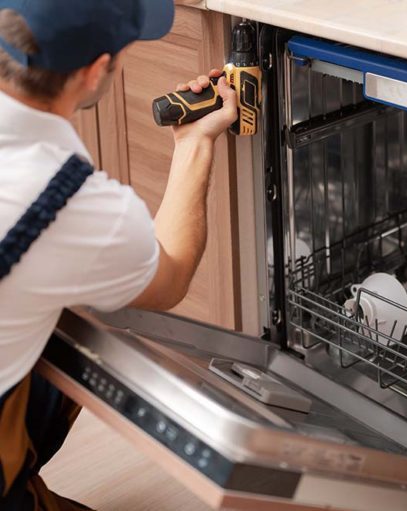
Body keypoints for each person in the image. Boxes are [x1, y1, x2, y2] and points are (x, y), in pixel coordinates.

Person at [0, 0, 237, 509]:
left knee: (63, 328)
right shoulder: (66, 203)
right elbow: (169, 273)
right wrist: (195, 141)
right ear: (94, 73)